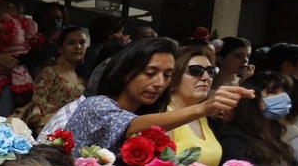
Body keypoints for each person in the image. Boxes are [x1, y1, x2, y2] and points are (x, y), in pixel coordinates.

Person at [65, 38, 247, 151]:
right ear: (126, 73)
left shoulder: (151, 115)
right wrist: (203, 108)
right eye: (150, 73)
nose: (160, 83)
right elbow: (131, 125)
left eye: (167, 75)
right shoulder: (97, 105)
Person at [214, 72, 298, 166]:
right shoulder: (234, 138)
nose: (284, 98)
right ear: (254, 98)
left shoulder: (274, 133)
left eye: (285, 92)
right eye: (274, 92)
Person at [158, 45, 226, 166]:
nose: (206, 77)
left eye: (210, 71)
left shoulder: (204, 117)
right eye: (196, 71)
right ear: (172, 79)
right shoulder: (162, 116)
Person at [25, 26, 89, 130]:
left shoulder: (82, 80)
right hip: (46, 129)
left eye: (82, 43)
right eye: (71, 43)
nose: (78, 47)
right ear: (61, 49)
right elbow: (37, 106)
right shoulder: (49, 73)